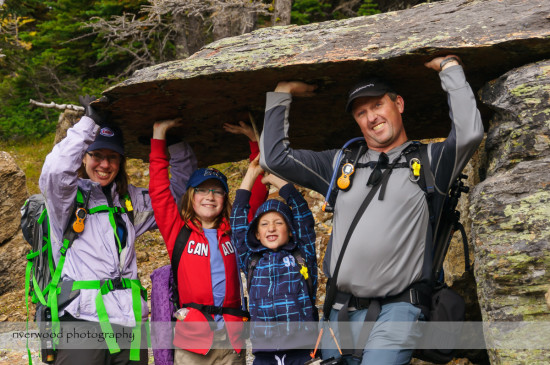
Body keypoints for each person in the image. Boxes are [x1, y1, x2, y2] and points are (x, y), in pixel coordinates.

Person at [259, 56, 484, 364]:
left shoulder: (432, 161)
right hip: (340, 311)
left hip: (399, 310)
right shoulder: (341, 163)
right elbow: (273, 159)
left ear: (399, 104)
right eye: (361, 112)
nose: (371, 118)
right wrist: (282, 92)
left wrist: (451, 70)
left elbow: (470, 133)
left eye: (378, 105)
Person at [39, 96, 194, 365]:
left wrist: (175, 144)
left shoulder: (129, 201)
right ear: (83, 156)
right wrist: (88, 123)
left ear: (121, 161)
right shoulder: (66, 198)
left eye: (112, 157)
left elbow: (179, 198)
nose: (104, 164)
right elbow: (54, 172)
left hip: (129, 320)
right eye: (96, 155)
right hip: (81, 319)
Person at [148, 119, 248, 365]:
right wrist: (158, 136)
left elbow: (255, 194)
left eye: (217, 191)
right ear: (191, 196)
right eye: (202, 190)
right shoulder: (178, 232)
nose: (210, 197)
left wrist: (254, 142)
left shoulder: (236, 230)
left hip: (232, 339)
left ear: (224, 198)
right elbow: (159, 192)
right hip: (192, 340)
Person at [231, 156, 318, 365]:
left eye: (279, 222)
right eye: (264, 224)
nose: (271, 228)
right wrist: (251, 175)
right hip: (265, 353)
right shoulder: (251, 259)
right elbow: (237, 221)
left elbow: (302, 215)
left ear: (289, 230)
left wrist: (278, 181)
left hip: (303, 351)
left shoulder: (301, 255)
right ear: (257, 234)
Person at [223, 120, 268, 221]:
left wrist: (252, 137)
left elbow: (257, 175)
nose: (210, 197)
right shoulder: (242, 222)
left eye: (217, 192)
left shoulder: (241, 221)